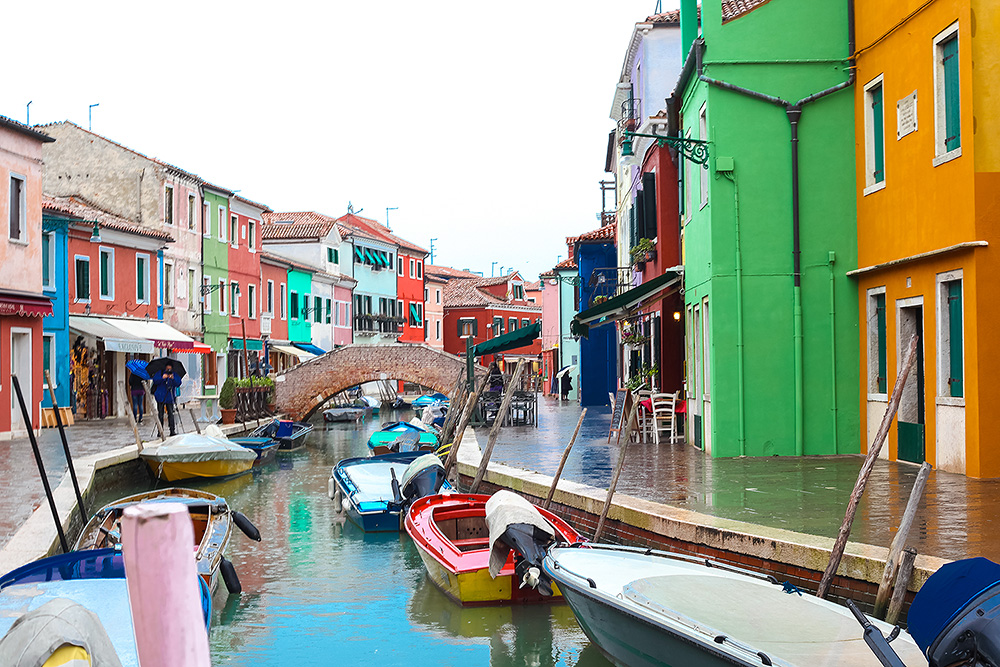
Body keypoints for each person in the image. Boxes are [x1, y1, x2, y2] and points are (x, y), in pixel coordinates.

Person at [151, 363, 181, 436]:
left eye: (170, 369)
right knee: (160, 414)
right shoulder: (160, 372)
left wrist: (173, 378)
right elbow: (155, 380)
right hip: (160, 396)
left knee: (171, 413)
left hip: (170, 397)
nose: (169, 370)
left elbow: (178, 383)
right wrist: (162, 378)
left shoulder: (174, 374)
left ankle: (172, 430)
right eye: (167, 369)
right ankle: (160, 431)